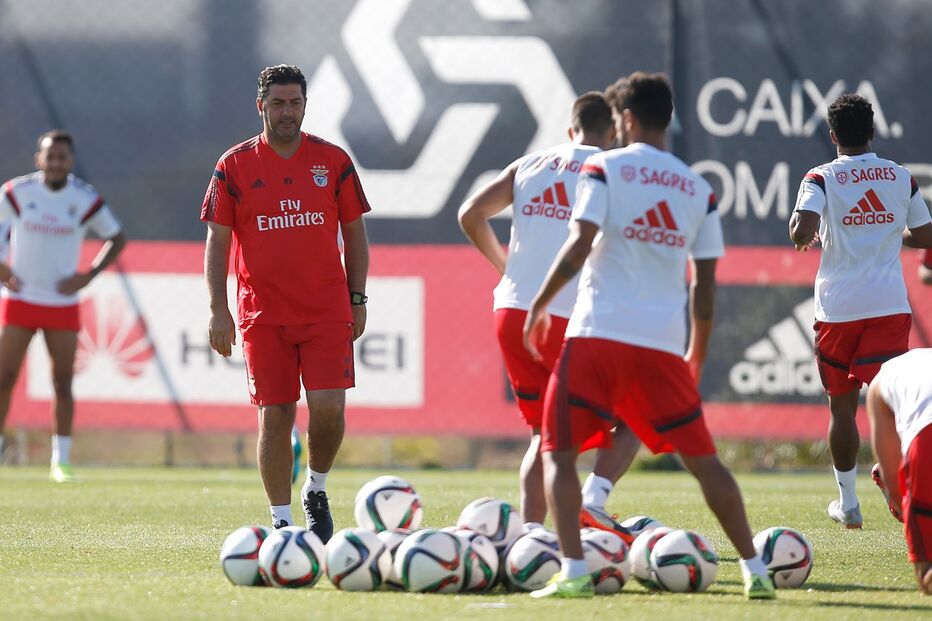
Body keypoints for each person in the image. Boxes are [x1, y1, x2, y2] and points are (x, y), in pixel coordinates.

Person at [524, 72, 774, 600]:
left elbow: (578, 244)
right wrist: (696, 355)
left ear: (629, 119)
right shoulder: (699, 189)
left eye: (618, 121)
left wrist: (542, 303)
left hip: (595, 336)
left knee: (558, 451)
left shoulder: (603, 166)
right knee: (706, 464)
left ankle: (573, 571)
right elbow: (704, 290)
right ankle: (755, 569)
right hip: (661, 344)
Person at [458, 92, 641, 538]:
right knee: (638, 412)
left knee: (545, 437)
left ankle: (532, 541)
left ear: (570, 129)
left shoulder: (531, 163)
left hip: (512, 311)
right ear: (612, 131)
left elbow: (470, 214)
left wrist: (507, 269)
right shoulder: (612, 171)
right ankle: (594, 501)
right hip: (569, 317)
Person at [201, 65, 371, 541]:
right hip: (263, 313)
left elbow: (355, 232)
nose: (287, 111)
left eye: (295, 102)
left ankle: (315, 488)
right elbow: (217, 240)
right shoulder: (233, 165)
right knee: (275, 415)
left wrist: (357, 295)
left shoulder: (333, 161)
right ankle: (281, 521)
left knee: (329, 407)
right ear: (261, 107)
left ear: (304, 106)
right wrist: (219, 308)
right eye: (278, 103)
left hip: (325, 309)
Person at [789, 94, 932, 529]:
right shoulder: (899, 176)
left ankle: (848, 504)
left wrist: (801, 232)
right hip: (888, 306)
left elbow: (803, 229)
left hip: (837, 308)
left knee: (842, 408)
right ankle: (903, 481)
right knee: (896, 402)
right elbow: (925, 236)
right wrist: (888, 234)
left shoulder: (820, 177)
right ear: (872, 131)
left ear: (832, 136)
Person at [0, 130, 126, 482]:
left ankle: (61, 460)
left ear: (70, 161)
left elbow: (117, 238)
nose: (55, 163)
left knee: (62, 381)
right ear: (38, 159)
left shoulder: (83, 198)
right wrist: (2, 267)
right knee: (5, 377)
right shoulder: (17, 192)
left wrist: (88, 275)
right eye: (49, 157)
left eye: (61, 157)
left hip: (61, 302)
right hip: (20, 298)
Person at [865, 348, 932, 594]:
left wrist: (900, 498)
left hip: (926, 436)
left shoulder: (881, 382)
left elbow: (896, 485)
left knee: (926, 573)